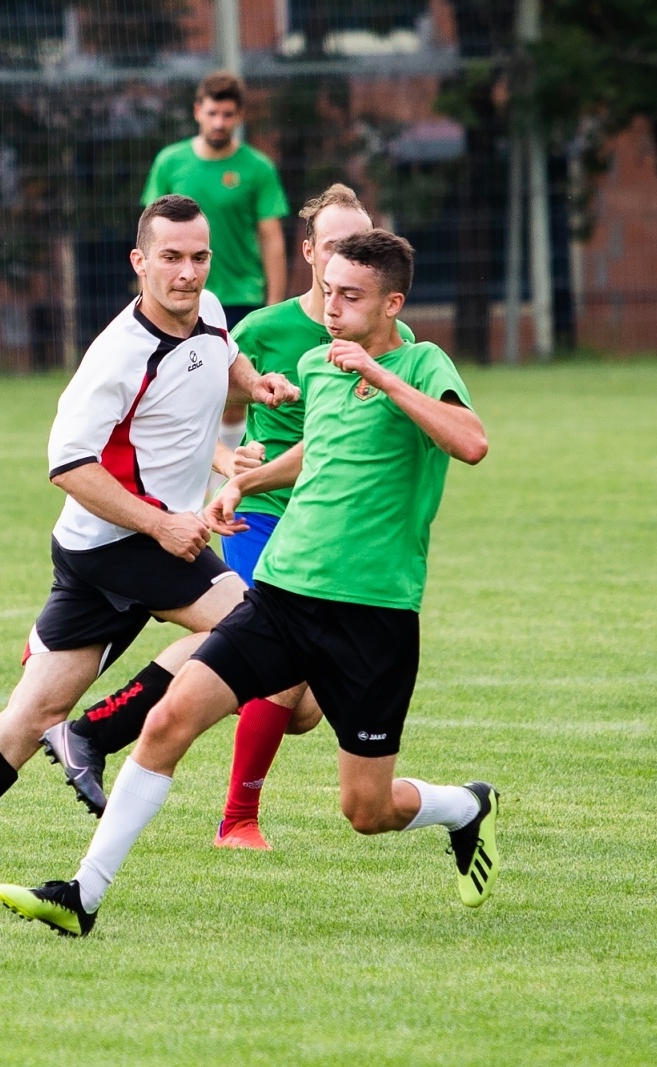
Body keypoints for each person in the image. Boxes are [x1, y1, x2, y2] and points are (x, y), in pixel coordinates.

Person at [0, 229, 501, 937]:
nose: (332, 308)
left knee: (366, 809)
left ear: (393, 303)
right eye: (328, 290)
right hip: (283, 595)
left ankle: (467, 806)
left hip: (372, 615)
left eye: (351, 297)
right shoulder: (320, 366)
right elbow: (320, 447)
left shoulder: (422, 361)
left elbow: (471, 442)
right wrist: (246, 480)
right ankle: (82, 894)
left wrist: (384, 377)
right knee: (169, 719)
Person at [0, 195, 297, 881]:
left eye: (198, 257)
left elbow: (226, 356)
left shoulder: (210, 308)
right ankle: (93, 735)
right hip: (121, 542)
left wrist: (257, 385)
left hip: (120, 545)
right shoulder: (118, 356)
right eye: (171, 258)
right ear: (139, 262)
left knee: (30, 710)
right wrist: (163, 522)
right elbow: (67, 464)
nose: (187, 273)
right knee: (253, 625)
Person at [210, 182, 417, 851]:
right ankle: (237, 819)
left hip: (343, 540)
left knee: (298, 707)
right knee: (284, 671)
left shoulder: (395, 339)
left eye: (358, 246)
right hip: (264, 518)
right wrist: (233, 469)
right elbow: (199, 419)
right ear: (308, 252)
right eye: (333, 246)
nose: (344, 262)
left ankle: (213, 664)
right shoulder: (263, 331)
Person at [142, 72, 291, 480]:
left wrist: (273, 306)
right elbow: (152, 234)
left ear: (239, 115)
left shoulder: (257, 168)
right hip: (181, 296)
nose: (220, 122)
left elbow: (271, 237)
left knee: (232, 393)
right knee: (180, 386)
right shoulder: (170, 162)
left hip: (240, 294)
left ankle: (223, 480)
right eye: (212, 113)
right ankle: (196, 475)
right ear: (197, 112)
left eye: (228, 114)